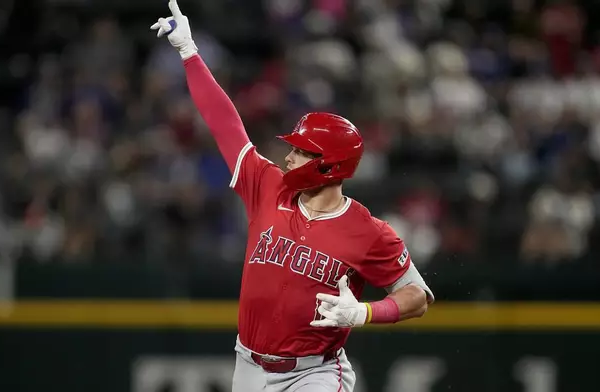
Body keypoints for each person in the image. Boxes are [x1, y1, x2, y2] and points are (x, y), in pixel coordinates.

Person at [150, 2, 434, 391]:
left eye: (301, 151)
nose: (288, 156)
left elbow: (417, 297)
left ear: (330, 165)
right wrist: (189, 53)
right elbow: (225, 124)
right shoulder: (268, 185)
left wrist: (366, 312)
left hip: (313, 373)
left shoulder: (368, 231)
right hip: (247, 366)